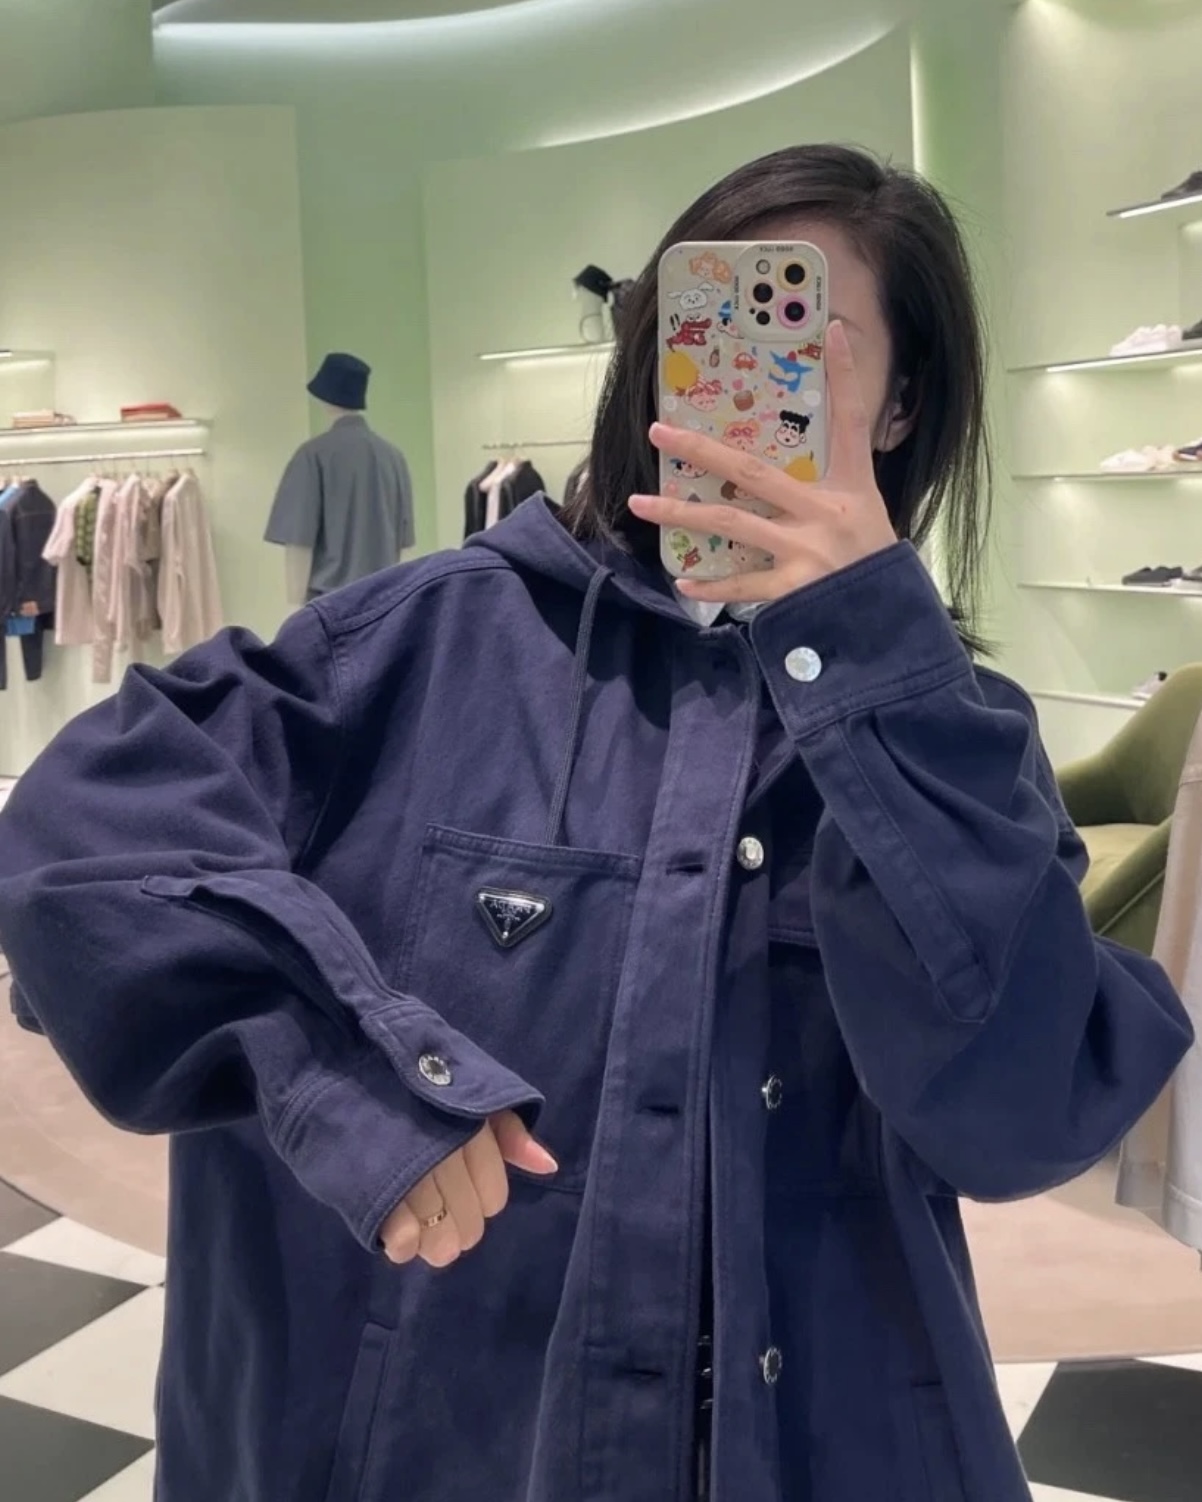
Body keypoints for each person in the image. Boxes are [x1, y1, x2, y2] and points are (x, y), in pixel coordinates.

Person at [0, 145, 1191, 1502]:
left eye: (801, 336)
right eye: (702, 323)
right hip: (454, 1446)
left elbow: (1021, 1118)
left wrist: (875, 666)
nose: (741, 374)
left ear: (902, 402)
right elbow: (83, 844)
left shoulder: (950, 733)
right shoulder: (422, 647)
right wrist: (346, 1070)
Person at [264, 351, 416, 604]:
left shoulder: (313, 455)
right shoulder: (394, 457)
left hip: (330, 604)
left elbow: (299, 542)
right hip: (384, 602)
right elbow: (405, 545)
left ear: (325, 397)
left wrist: (296, 607)